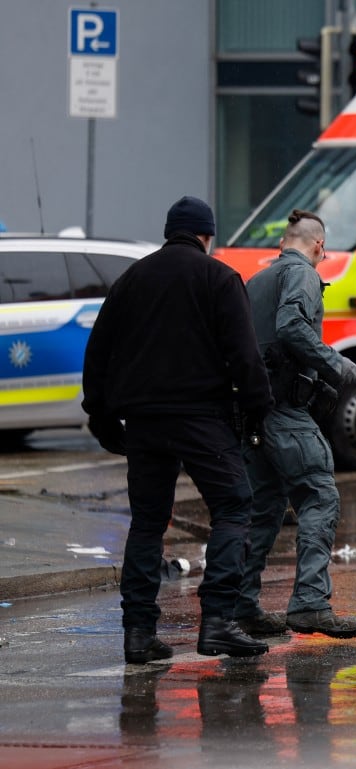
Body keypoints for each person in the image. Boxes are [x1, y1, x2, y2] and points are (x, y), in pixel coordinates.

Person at [82, 195, 274, 663]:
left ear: (170, 232)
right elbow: (245, 356)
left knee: (148, 522)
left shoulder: (132, 279)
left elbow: (98, 351)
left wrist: (102, 416)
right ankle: (219, 622)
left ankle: (138, 634)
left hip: (144, 420)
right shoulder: (219, 278)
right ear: (207, 236)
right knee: (233, 505)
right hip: (201, 416)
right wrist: (258, 410)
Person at [234, 208, 356, 639]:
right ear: (317, 246)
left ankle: (242, 606)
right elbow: (291, 326)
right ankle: (310, 603)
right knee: (319, 497)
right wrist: (336, 364)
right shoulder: (304, 275)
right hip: (285, 413)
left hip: (253, 416)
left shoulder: (256, 283)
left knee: (265, 509)